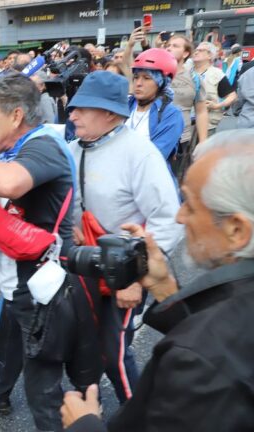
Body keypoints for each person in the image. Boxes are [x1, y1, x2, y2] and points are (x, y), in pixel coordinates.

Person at [61, 129, 254, 432]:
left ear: (236, 230)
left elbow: (212, 352)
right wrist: (165, 289)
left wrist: (83, 424)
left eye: (189, 204)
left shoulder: (196, 364)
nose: (179, 217)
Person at [0, 74, 99, 431]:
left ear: (16, 116)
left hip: (44, 288)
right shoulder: (17, 150)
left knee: (43, 389)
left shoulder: (42, 145)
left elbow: (9, 182)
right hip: (21, 282)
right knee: (7, 338)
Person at [66, 71, 183, 405]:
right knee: (83, 342)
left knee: (114, 352)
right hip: (84, 266)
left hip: (125, 272)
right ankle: (89, 408)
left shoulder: (139, 153)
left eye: (82, 108)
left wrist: (137, 277)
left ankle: (139, 415)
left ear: (110, 114)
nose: (72, 115)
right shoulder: (73, 149)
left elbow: (167, 219)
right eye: (73, 107)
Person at [127, 49, 184, 161]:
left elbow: (154, 158)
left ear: (162, 82)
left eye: (147, 78)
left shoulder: (171, 115)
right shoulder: (124, 105)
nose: (138, 83)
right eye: (136, 77)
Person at [166, 35, 210, 175]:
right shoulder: (156, 73)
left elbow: (201, 111)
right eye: (168, 45)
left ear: (185, 53)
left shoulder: (194, 78)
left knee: (177, 182)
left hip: (181, 140)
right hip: (156, 136)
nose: (169, 48)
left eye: (175, 46)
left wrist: (203, 142)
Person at [193, 42, 237, 135]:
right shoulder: (186, 70)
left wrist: (217, 106)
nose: (196, 52)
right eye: (196, 50)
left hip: (208, 126)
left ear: (210, 55)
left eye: (200, 50)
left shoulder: (217, 74)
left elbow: (232, 96)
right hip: (186, 126)